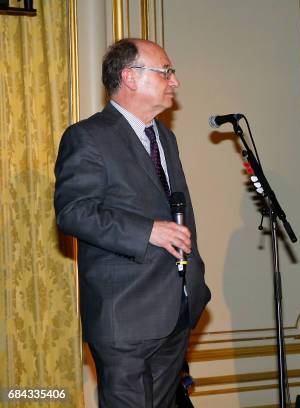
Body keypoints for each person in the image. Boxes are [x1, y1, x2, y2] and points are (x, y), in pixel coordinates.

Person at [54, 38, 211, 408]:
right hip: (125, 319)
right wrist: (147, 232)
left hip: (176, 313)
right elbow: (73, 211)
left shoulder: (165, 138)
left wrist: (195, 287)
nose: (175, 81)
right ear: (130, 77)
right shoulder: (88, 137)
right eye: (166, 72)